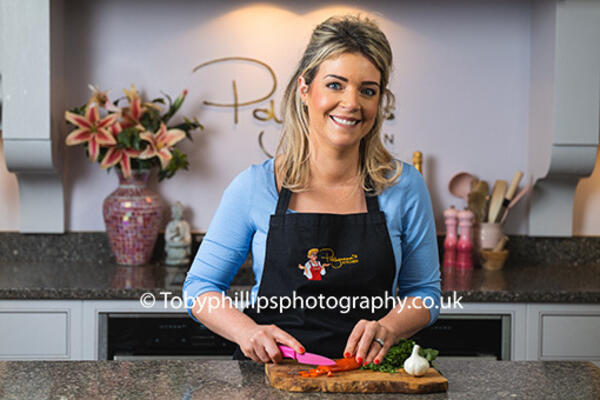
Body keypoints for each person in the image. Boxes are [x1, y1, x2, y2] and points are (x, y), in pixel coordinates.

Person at [183, 15, 441, 366]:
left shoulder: (403, 186)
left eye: (368, 90)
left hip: (369, 379)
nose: (351, 103)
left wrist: (391, 326)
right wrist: (247, 332)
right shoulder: (255, 186)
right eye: (335, 85)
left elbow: (425, 294)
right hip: (273, 379)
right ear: (305, 89)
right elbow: (200, 288)